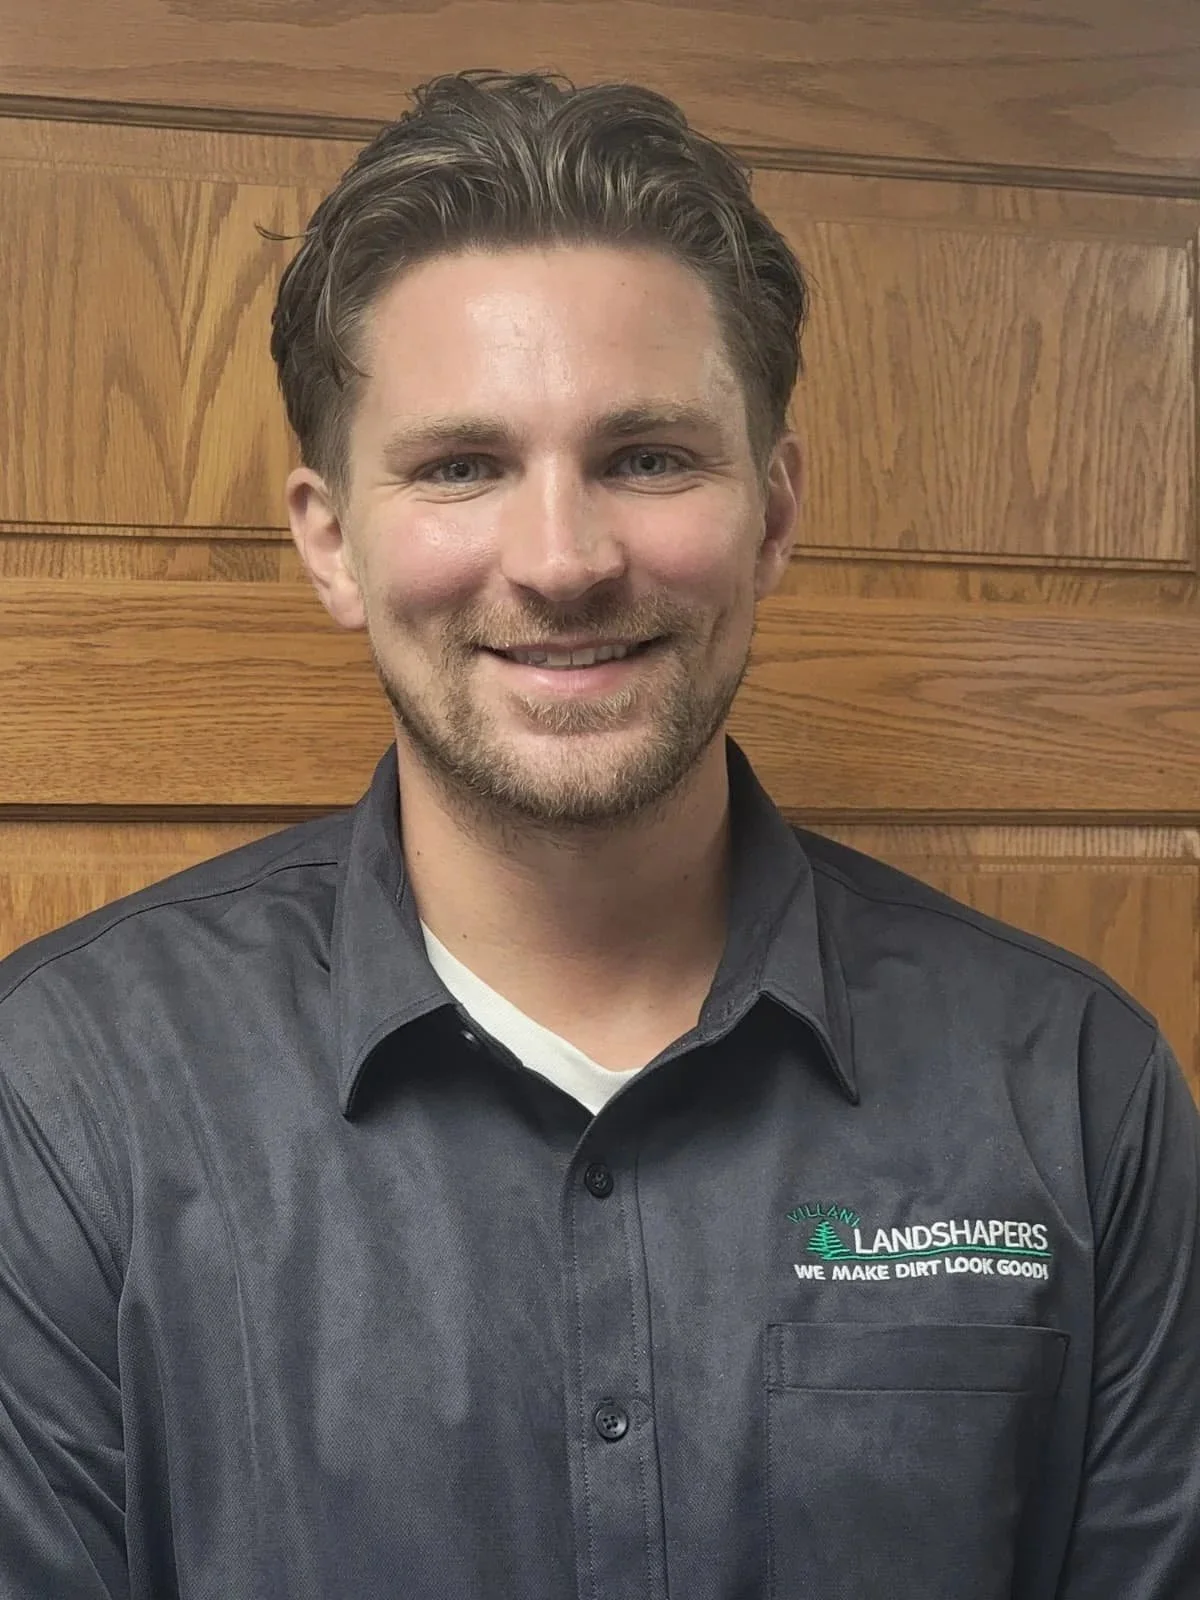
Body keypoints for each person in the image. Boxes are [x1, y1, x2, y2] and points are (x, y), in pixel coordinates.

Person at [1, 68, 1197, 1600]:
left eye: (646, 457)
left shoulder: (1074, 1082)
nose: (562, 560)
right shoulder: (68, 1095)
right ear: (328, 539)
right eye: (460, 466)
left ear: (770, 513)